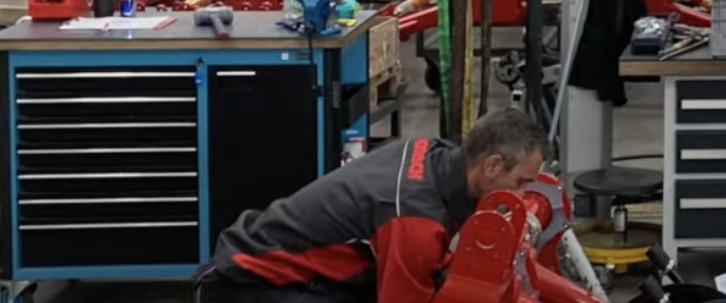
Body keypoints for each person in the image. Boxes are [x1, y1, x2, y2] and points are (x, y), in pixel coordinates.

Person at [194, 108, 549, 303]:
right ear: (491, 165)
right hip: (249, 286)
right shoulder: (414, 218)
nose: (520, 197)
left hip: (277, 267)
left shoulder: (431, 152)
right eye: (520, 183)